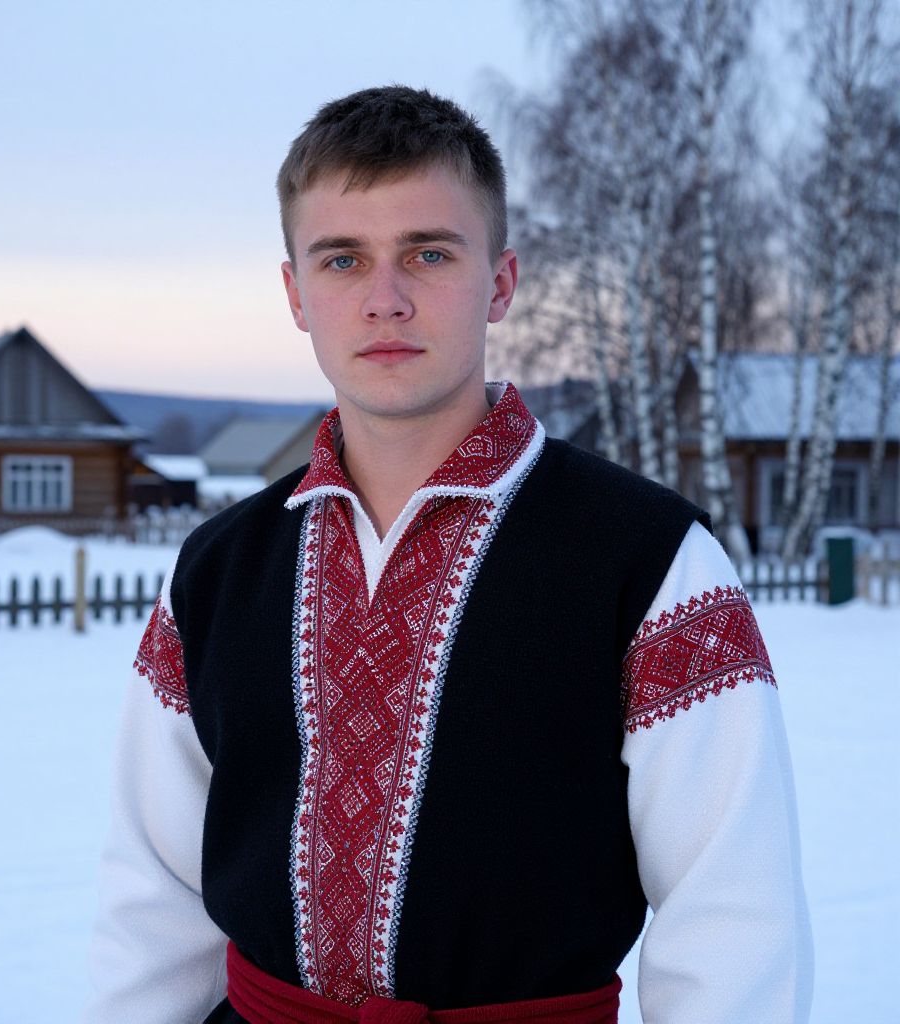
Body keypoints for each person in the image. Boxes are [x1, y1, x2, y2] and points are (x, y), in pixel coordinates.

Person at [84, 86, 813, 1024]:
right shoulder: (220, 571)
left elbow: (734, 919)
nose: (385, 300)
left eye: (429, 253)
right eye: (342, 259)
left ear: (501, 281)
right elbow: (151, 901)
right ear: (295, 294)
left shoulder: (648, 560)